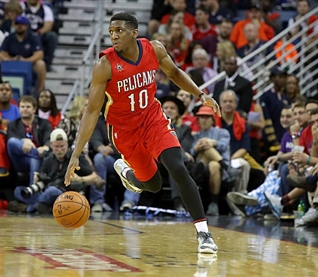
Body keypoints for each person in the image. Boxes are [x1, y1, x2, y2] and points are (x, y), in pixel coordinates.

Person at [64, 12, 220, 254]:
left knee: (178, 167)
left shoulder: (154, 49)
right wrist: (76, 153)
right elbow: (92, 111)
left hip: (152, 119)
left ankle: (204, 234)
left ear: (134, 33)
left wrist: (201, 95)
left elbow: (175, 73)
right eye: (111, 32)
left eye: (119, 31)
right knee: (154, 185)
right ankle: (128, 173)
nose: (113, 36)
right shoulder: (104, 65)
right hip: (125, 132)